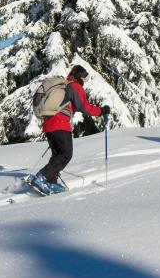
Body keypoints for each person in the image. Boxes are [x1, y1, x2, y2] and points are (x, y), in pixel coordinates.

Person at [30, 65, 110, 194]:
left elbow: (73, 105)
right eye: (85, 78)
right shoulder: (74, 86)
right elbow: (84, 106)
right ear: (80, 76)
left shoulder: (65, 87)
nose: (85, 81)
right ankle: (42, 177)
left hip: (49, 124)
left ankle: (51, 181)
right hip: (60, 124)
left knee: (57, 155)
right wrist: (101, 111)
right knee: (66, 154)